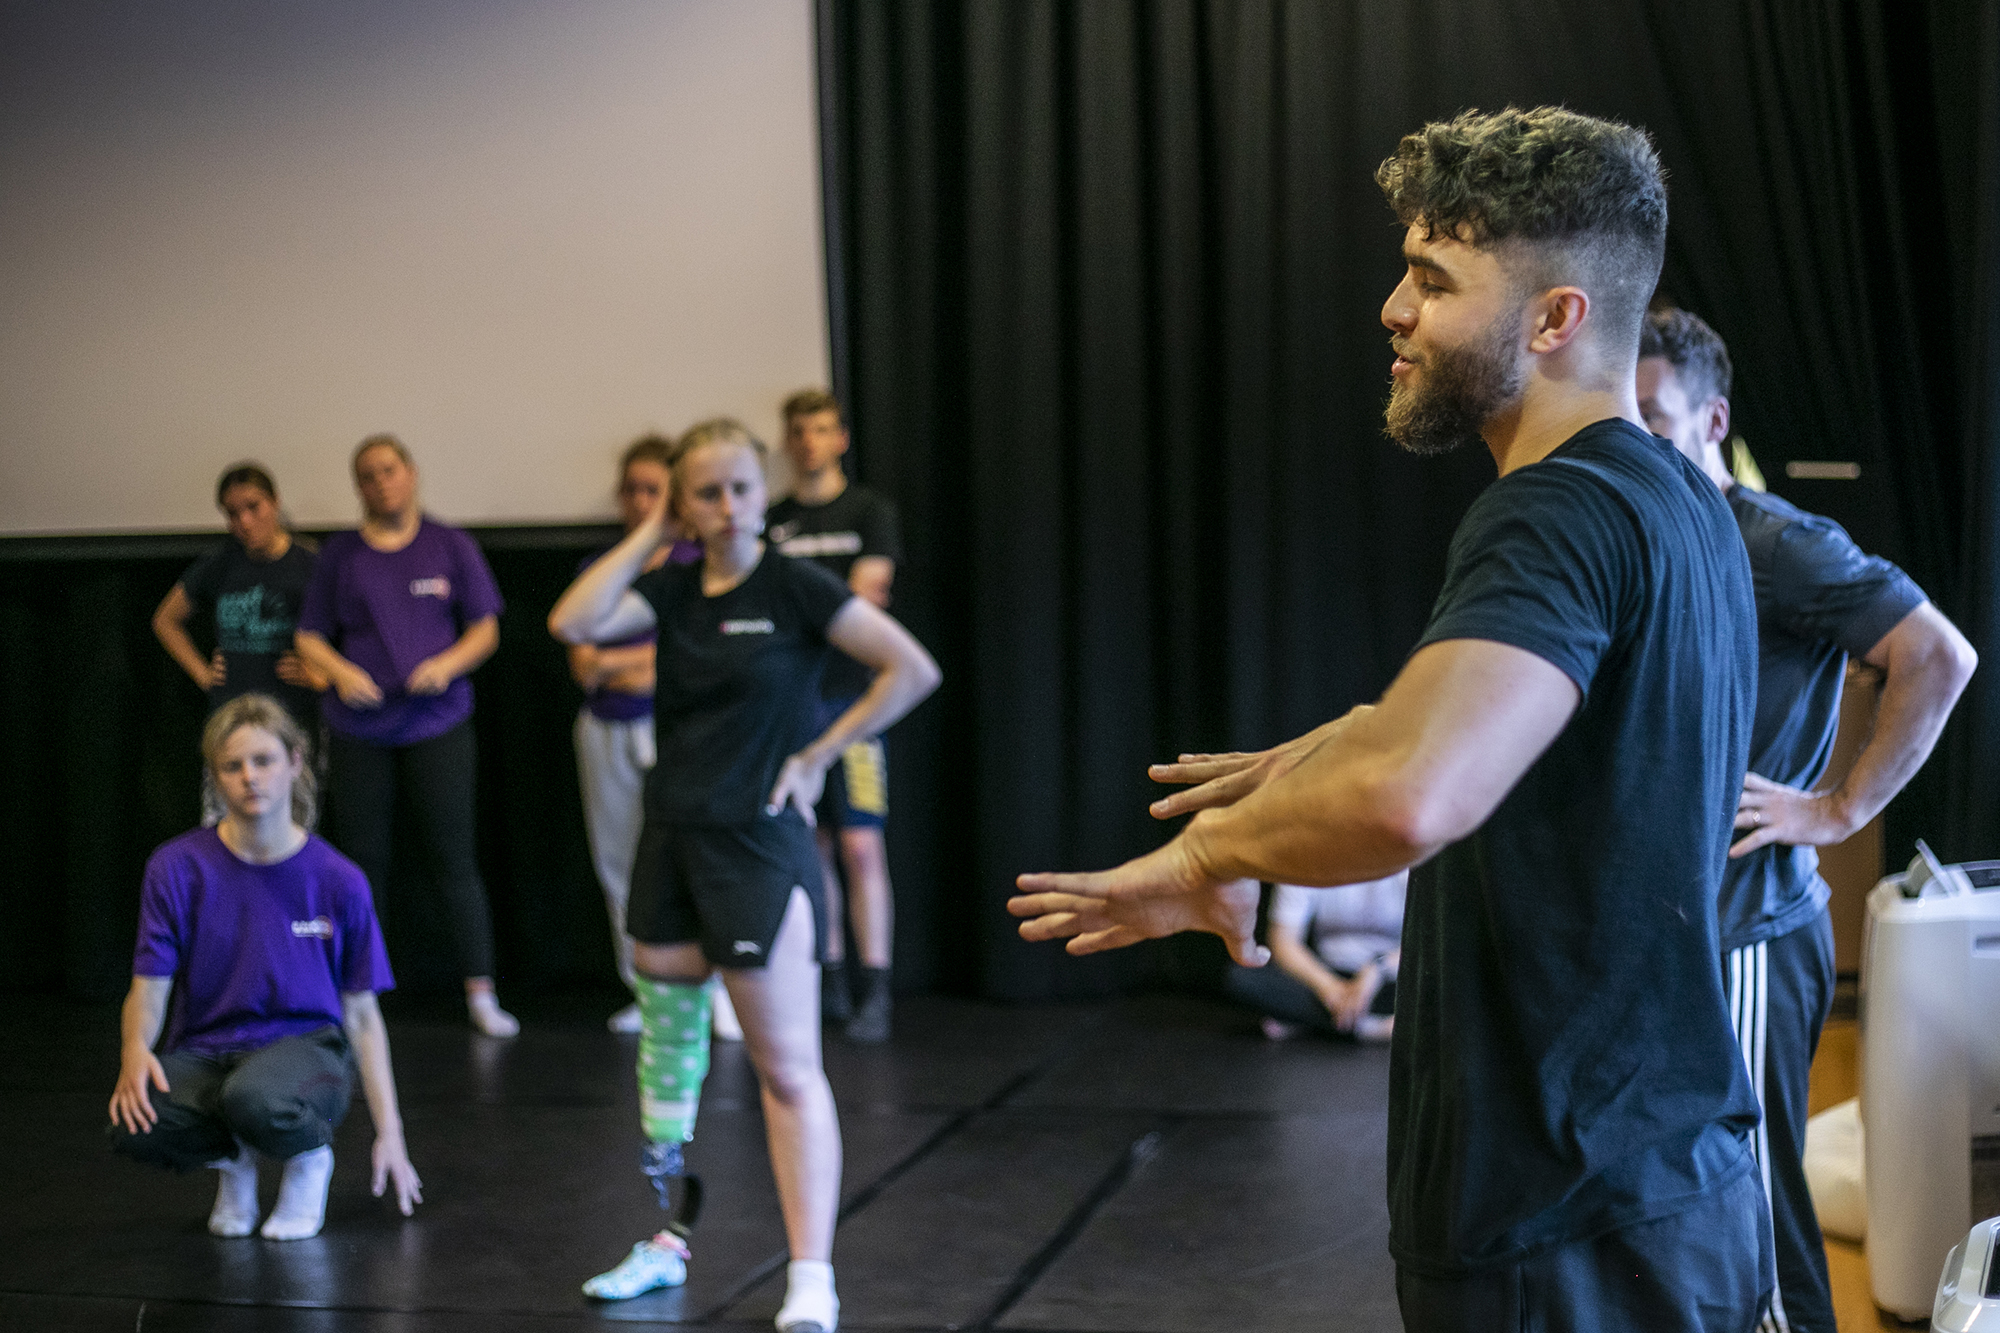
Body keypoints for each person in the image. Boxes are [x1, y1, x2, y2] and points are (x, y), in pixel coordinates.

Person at [1011, 107, 1773, 1332]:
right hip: (1666, 1185)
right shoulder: (1677, 502)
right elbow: (1531, 739)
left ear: (1552, 318)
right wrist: (1314, 755)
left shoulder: (1551, 513)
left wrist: (1207, 856)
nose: (1391, 308)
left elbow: (1414, 792)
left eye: (1431, 278)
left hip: (1559, 1210)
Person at [549, 418, 939, 1331]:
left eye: (741, 489)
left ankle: (813, 1276)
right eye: (708, 492)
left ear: (764, 495)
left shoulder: (795, 583)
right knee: (670, 1063)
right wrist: (653, 535)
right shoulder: (673, 588)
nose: (728, 508)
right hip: (672, 841)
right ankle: (668, 1238)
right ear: (685, 502)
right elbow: (572, 620)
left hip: (758, 850)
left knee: (787, 1069)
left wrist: (819, 756)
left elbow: (910, 669)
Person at [1638, 307, 1977, 1333]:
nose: (1634, 440)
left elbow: (1937, 656)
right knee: (1678, 1200)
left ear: (1712, 418)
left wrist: (1836, 808)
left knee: (1753, 1202)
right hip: (1663, 931)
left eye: (1656, 417)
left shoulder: (1779, 545)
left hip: (1745, 930)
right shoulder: (1643, 542)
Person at [107, 693, 421, 1241]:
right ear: (216, 777)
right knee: (135, 1120)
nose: (250, 777)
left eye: (264, 760)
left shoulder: (337, 879)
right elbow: (149, 986)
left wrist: (389, 1131)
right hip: (208, 1048)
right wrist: (135, 1050)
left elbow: (364, 1015)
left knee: (255, 1099)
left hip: (306, 1046)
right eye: (233, 766)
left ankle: (309, 1159)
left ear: (295, 763)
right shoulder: (176, 867)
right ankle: (234, 1160)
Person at [293, 434, 517, 1038]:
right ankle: (357, 993)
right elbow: (310, 634)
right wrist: (341, 672)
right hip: (360, 727)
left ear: (412, 474)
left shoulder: (450, 545)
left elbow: (485, 629)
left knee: (454, 860)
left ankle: (480, 994)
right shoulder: (341, 556)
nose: (381, 483)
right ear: (359, 487)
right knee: (364, 863)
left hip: (437, 723)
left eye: (389, 471)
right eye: (367, 475)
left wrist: (446, 665)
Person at [566, 434, 740, 1039]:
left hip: (677, 731)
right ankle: (642, 991)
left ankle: (716, 987)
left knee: (694, 857)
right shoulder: (601, 572)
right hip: (606, 729)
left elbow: (686, 663)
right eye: (634, 490)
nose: (643, 501)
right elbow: (582, 660)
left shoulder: (700, 569)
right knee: (619, 863)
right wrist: (628, 663)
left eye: (655, 490)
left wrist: (626, 661)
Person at [766, 389, 905, 1041]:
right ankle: (827, 979)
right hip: (792, 703)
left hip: (856, 704)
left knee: (860, 843)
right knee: (811, 843)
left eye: (822, 429)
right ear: (789, 442)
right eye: (800, 431)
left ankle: (874, 987)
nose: (811, 441)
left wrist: (809, 618)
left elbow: (867, 597)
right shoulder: (775, 520)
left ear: (841, 437)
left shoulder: (870, 511)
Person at [153, 463, 326, 730]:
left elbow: (351, 629)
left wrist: (320, 676)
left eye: (253, 507)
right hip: (230, 716)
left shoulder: (311, 563)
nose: (244, 522)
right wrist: (203, 673)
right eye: (233, 513)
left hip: (291, 716)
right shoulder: (220, 564)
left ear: (275, 501)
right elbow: (165, 620)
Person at [1220, 873, 1406, 1042]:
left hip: (1389, 979)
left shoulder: (1412, 852)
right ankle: (1374, 1029)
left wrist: (1377, 969)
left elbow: (1427, 945)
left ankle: (1307, 1021)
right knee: (1242, 977)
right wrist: (1330, 989)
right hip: (1324, 974)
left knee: (1428, 993)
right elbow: (1284, 942)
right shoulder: (1305, 858)